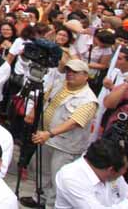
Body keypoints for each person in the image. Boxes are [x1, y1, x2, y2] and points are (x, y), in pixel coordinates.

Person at [25, 59, 99, 209]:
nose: (70, 74)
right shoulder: (59, 84)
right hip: (46, 137)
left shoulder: (89, 99)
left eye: (75, 72)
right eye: (68, 71)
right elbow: (44, 99)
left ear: (86, 75)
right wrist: (32, 112)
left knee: (58, 178)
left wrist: (49, 133)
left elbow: (74, 122)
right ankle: (39, 198)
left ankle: (51, 206)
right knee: (42, 171)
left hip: (65, 145)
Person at [55, 138, 128, 209]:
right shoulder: (70, 177)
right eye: (122, 172)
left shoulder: (112, 172)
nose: (122, 176)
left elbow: (127, 196)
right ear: (111, 170)